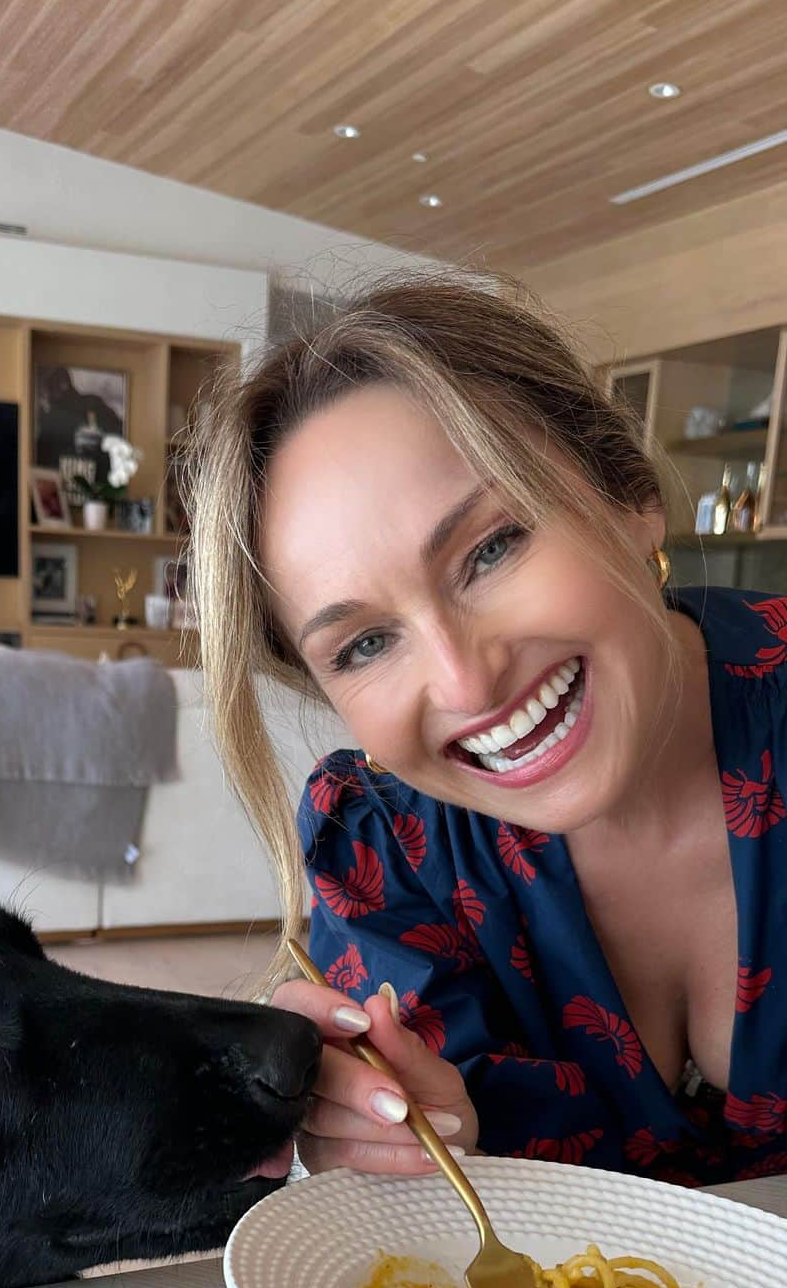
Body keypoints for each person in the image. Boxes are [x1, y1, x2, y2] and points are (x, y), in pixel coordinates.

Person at [185, 271, 787, 1189]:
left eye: (492, 548)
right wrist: (414, 1137)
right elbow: (444, 1197)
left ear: (630, 497)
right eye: (367, 643)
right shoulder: (387, 850)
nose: (466, 680)